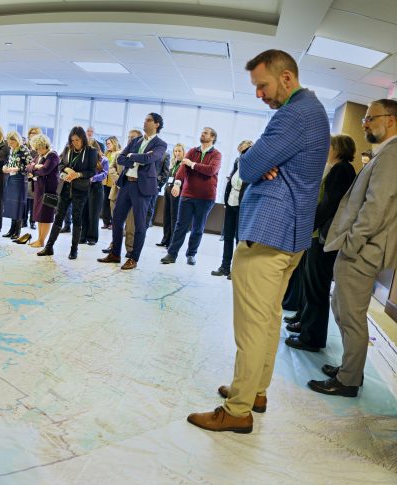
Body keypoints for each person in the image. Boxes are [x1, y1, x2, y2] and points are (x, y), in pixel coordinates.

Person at [188, 49, 330, 433]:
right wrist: (262, 161)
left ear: (286, 78)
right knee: (267, 320)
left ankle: (237, 411)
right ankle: (255, 392)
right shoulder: (313, 112)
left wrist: (255, 156)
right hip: (290, 235)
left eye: (262, 85)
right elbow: (258, 167)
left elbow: (248, 168)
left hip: (269, 232)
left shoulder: (294, 114)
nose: (259, 94)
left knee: (252, 325)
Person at [310, 99, 397, 397]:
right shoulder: (384, 153)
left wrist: (352, 244)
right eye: (364, 119)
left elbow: (376, 207)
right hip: (360, 247)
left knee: (351, 315)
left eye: (370, 118)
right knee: (342, 308)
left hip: (363, 249)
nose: (364, 123)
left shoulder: (392, 154)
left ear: (391, 120)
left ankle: (348, 380)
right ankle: (350, 369)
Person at [283, 135, 357, 352]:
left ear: (339, 148)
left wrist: (309, 224)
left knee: (317, 287)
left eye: (329, 145)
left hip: (324, 236)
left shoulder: (341, 170)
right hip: (319, 234)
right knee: (311, 283)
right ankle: (306, 324)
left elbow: (329, 204)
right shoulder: (338, 169)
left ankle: (311, 338)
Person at [97, 115, 167, 270]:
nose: (144, 122)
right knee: (117, 220)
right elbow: (121, 158)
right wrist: (137, 158)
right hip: (126, 184)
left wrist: (132, 156)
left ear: (156, 124)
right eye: (145, 120)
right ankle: (115, 254)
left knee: (139, 224)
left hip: (142, 188)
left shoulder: (160, 144)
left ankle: (133, 258)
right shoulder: (136, 141)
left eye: (148, 120)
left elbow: (150, 158)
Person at [161, 127, 222, 266]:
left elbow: (211, 170)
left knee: (198, 228)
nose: (202, 134)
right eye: (202, 132)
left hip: (206, 198)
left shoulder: (217, 154)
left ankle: (191, 254)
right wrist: (177, 184)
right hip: (187, 195)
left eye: (205, 133)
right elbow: (182, 169)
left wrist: (192, 164)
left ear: (212, 137)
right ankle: (172, 254)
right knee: (180, 225)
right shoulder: (192, 151)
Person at [38, 126, 97, 259]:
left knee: (77, 218)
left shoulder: (90, 151)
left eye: (77, 140)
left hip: (80, 189)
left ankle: (74, 249)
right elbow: (60, 165)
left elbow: (92, 171)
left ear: (83, 139)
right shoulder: (67, 149)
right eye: (72, 140)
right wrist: (67, 170)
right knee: (59, 217)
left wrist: (78, 174)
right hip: (65, 187)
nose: (75, 143)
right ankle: (49, 247)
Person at [212, 141, 254, 278]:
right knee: (228, 236)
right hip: (231, 201)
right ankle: (225, 267)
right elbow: (233, 178)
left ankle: (236, 270)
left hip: (243, 205)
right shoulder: (237, 161)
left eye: (243, 151)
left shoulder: (254, 165)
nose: (241, 154)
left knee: (239, 239)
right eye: (240, 152)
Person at [23, 134, 61, 248]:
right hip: (39, 188)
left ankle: (42, 241)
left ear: (44, 145)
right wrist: (36, 167)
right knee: (39, 215)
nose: (36, 150)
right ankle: (39, 239)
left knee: (46, 216)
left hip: (48, 190)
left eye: (38, 148)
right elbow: (28, 167)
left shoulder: (52, 155)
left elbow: (45, 170)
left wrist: (34, 169)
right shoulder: (40, 155)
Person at [1, 131, 31, 240]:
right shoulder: (12, 149)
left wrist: (17, 168)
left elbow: (29, 165)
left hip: (20, 179)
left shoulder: (23, 149)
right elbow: (10, 161)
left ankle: (17, 231)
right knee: (11, 205)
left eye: (12, 143)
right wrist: (5, 166)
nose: (10, 145)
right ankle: (11, 230)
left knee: (18, 205)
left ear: (16, 140)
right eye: (9, 143)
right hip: (11, 178)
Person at [156, 144, 186, 248]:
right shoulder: (173, 163)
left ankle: (172, 242)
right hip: (168, 190)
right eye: (175, 151)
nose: (177, 153)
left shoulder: (184, 164)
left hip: (177, 193)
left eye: (179, 151)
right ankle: (165, 240)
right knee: (166, 216)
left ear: (183, 152)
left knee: (174, 217)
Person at [83, 138, 108, 245]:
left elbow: (104, 174)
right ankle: (82, 236)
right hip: (84, 187)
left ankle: (92, 238)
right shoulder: (84, 158)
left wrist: (93, 178)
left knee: (93, 214)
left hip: (96, 188)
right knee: (83, 213)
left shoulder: (104, 160)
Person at [102, 137, 122, 229]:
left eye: (109, 143)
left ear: (114, 143)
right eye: (106, 144)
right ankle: (106, 222)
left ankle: (114, 223)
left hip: (114, 181)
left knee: (114, 203)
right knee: (105, 201)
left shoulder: (120, 153)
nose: (107, 145)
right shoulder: (107, 153)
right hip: (105, 180)